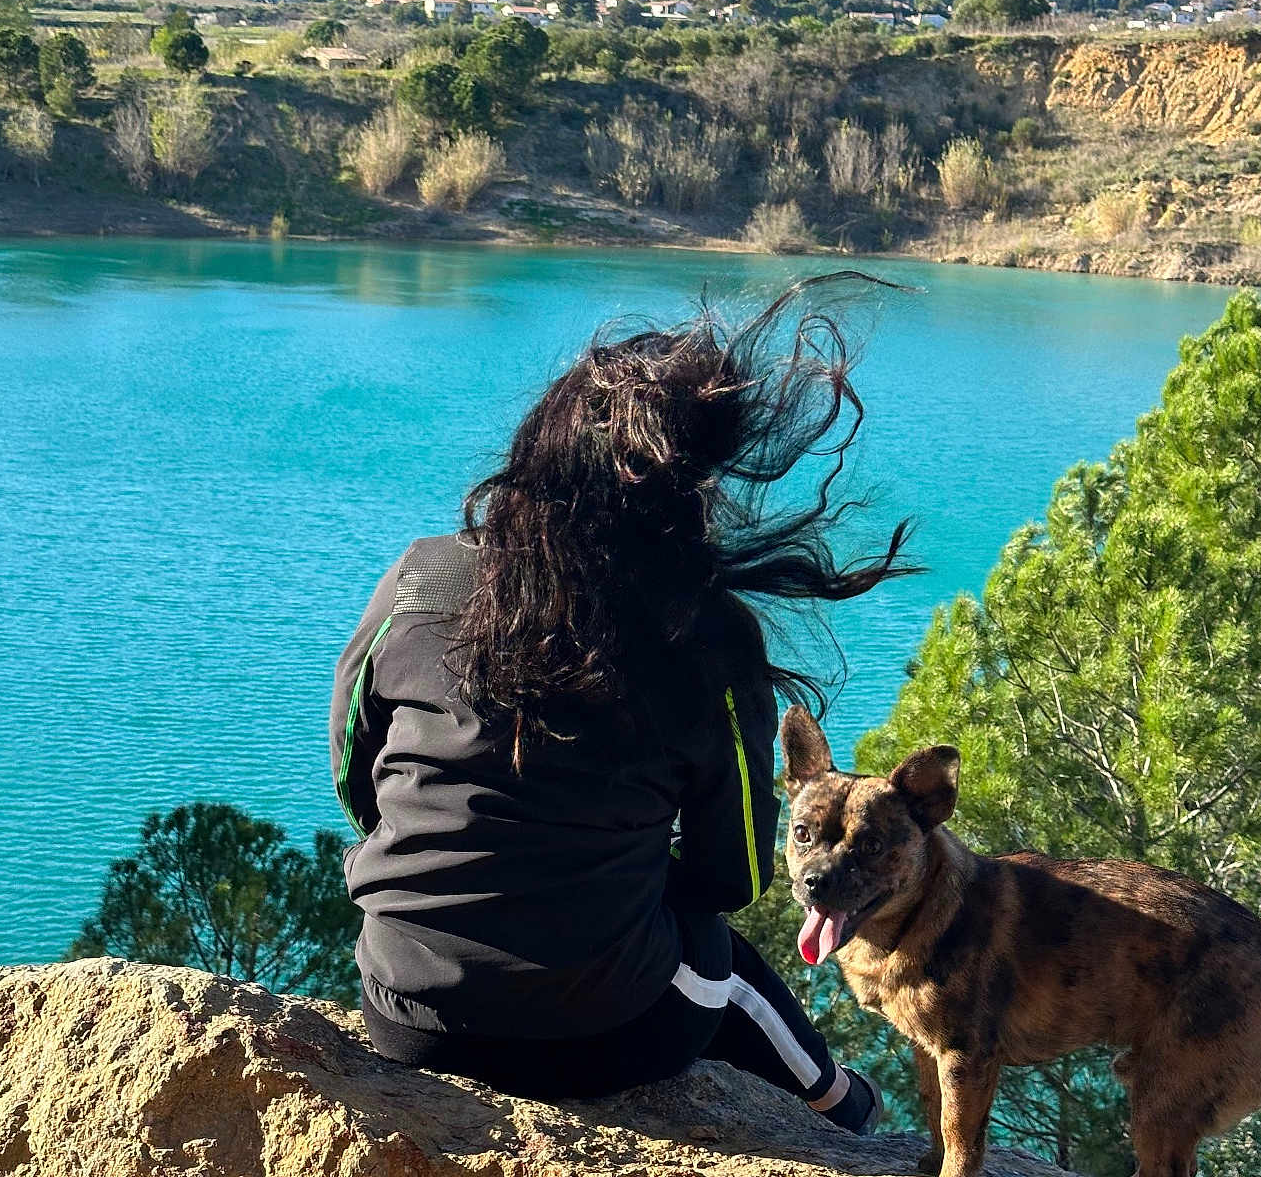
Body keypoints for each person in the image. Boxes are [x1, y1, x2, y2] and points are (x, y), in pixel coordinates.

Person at [330, 275, 914, 1131]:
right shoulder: (708, 635)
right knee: (716, 956)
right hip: (604, 1039)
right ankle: (844, 1107)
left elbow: (354, 770)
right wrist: (610, 866)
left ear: (538, 449)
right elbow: (736, 874)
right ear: (685, 490)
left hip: (403, 1010)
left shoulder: (419, 577)